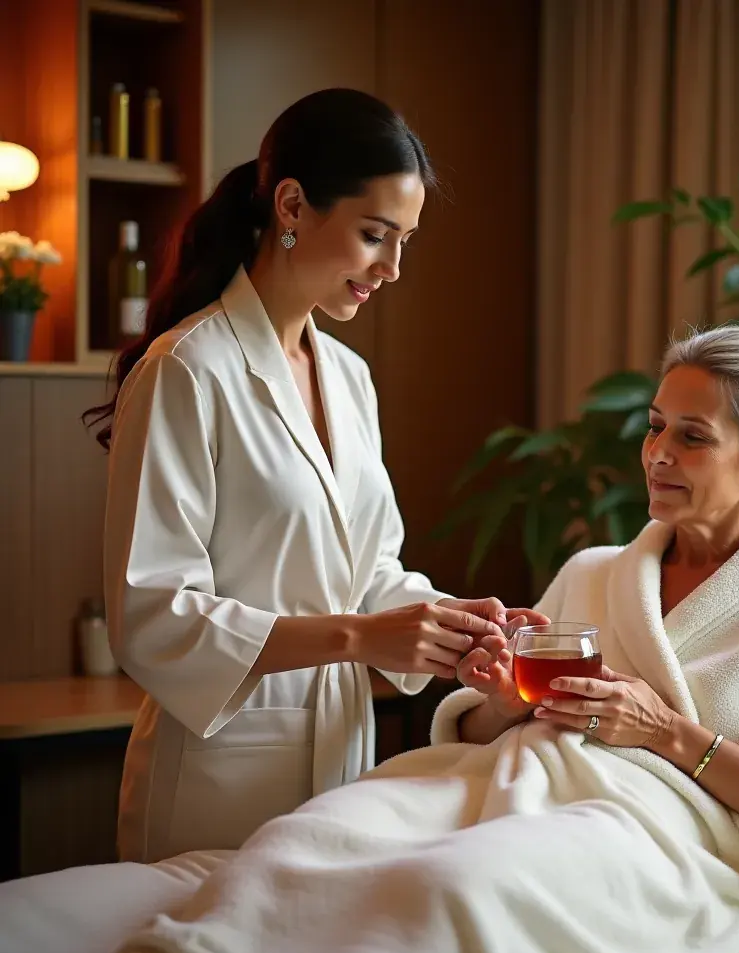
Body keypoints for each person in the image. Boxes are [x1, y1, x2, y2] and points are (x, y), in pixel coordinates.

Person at [16, 325, 739, 953]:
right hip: (500, 780)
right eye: (656, 425)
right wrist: (505, 701)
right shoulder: (597, 570)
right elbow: (478, 721)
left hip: (665, 841)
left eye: (693, 438)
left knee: (455, 884)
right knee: (315, 838)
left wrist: (661, 729)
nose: (658, 453)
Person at [81, 88, 544, 866]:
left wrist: (449, 627)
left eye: (406, 243)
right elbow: (153, 614)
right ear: (292, 205)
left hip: (339, 766)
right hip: (216, 780)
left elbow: (370, 573)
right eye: (375, 235)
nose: (393, 269)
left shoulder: (350, 377)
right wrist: (362, 636)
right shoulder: (188, 371)